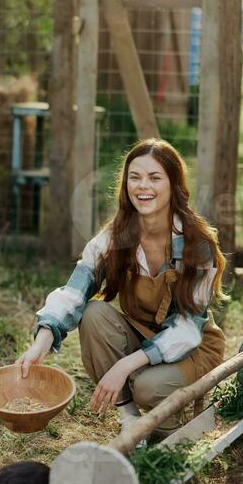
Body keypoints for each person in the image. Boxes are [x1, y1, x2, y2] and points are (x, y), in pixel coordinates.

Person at [17, 138, 227, 437]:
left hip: (192, 346)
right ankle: (130, 421)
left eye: (155, 178)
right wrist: (42, 340)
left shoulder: (197, 246)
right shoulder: (115, 238)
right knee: (94, 314)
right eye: (135, 177)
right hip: (145, 337)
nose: (144, 187)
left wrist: (125, 365)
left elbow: (187, 328)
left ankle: (178, 430)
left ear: (173, 185)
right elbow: (73, 291)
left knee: (147, 387)